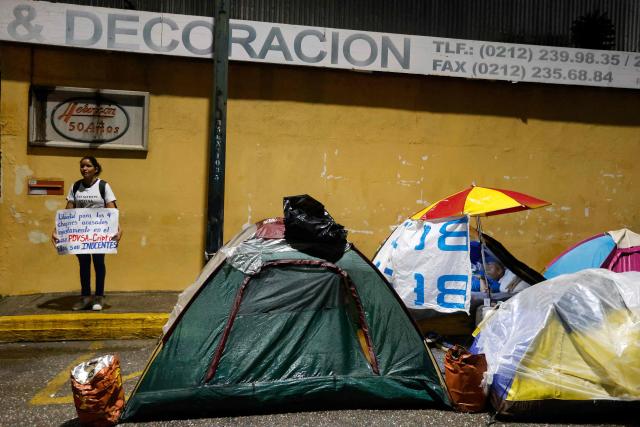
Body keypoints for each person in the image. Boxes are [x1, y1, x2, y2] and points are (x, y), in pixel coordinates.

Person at [51, 156, 122, 311]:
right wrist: (57, 231)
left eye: (88, 166)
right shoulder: (76, 186)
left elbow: (112, 209)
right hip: (80, 235)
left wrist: (118, 228)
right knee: (83, 264)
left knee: (98, 263)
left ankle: (99, 297)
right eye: (82, 166)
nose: (84, 169)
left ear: (95, 169)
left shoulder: (103, 186)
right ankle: (85, 297)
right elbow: (69, 209)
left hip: (99, 234)